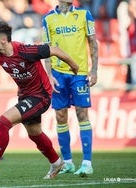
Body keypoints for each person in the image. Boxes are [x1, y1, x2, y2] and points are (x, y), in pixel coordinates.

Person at [0, 20, 79, 178]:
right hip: (25, 96)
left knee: (3, 122)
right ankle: (56, 162)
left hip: (41, 96)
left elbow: (55, 50)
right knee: (35, 133)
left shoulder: (25, 50)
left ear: (3, 40)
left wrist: (74, 67)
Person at [42, 0, 98, 176]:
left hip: (79, 73)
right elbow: (47, 49)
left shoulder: (84, 14)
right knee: (60, 116)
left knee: (82, 114)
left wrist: (94, 69)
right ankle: (67, 162)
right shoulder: (48, 19)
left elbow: (92, 42)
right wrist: (49, 75)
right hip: (58, 74)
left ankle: (87, 163)